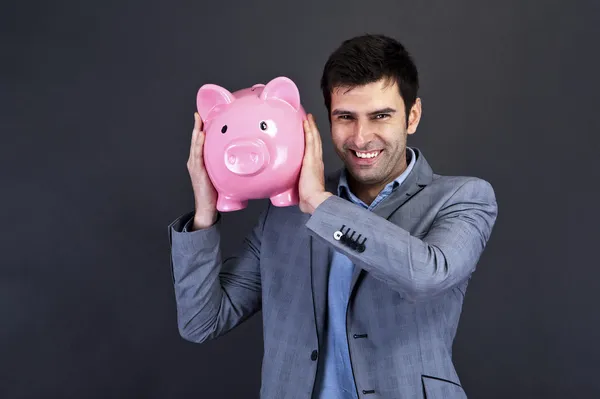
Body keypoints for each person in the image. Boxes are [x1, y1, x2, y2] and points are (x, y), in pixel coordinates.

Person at [168, 33, 498, 399]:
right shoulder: (284, 215)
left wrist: (321, 206)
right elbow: (202, 322)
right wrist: (204, 212)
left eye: (381, 116)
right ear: (326, 119)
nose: (361, 137)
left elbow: (425, 276)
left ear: (412, 116)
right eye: (346, 117)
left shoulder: (464, 198)